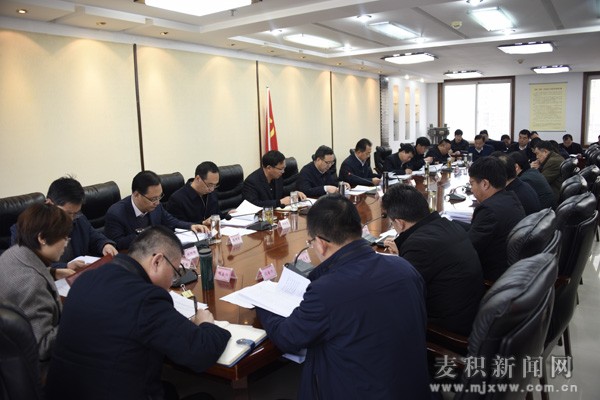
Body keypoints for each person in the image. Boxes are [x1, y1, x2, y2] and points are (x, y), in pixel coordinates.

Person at [256, 194, 430, 399]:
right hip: (412, 388)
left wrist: (262, 303)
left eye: (311, 242)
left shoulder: (327, 290)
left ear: (321, 243)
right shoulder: (404, 267)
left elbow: (288, 338)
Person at [45, 226, 231, 400]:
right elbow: (200, 353)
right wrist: (205, 323)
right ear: (157, 261)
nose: (172, 282)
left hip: (64, 391)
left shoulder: (86, 279)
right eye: (175, 273)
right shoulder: (147, 297)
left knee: (168, 390)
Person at [381, 184, 483, 336]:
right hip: (472, 313)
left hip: (448, 330)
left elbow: (402, 296)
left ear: (400, 223)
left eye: (392, 223)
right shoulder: (447, 225)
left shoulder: (418, 245)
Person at [0, 203, 71, 368]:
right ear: (42, 238)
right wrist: (77, 319)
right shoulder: (32, 284)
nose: (66, 244)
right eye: (64, 237)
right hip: (34, 369)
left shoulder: (14, 252)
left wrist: (52, 272)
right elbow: (42, 347)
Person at [10, 177, 117, 277]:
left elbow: (95, 237)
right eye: (67, 213)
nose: (71, 219)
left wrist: (105, 245)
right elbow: (25, 267)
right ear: (49, 203)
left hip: (79, 277)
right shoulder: (25, 229)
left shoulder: (78, 218)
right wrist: (64, 267)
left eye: (75, 213)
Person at [104, 170, 208, 250]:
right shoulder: (116, 213)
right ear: (136, 195)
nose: (157, 202)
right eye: (153, 199)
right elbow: (117, 244)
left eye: (159, 197)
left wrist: (191, 226)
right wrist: (146, 234)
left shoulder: (156, 205)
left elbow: (171, 221)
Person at [461, 156, 525, 281]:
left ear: (485, 184)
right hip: (512, 269)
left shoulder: (488, 210)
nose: (471, 189)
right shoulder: (510, 197)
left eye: (472, 184)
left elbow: (468, 249)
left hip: (492, 277)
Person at [167, 161, 232, 226]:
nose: (212, 189)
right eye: (210, 185)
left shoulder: (212, 193)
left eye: (215, 185)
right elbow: (178, 225)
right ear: (198, 179)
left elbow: (216, 215)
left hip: (213, 231)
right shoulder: (177, 199)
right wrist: (202, 223)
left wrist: (227, 214)